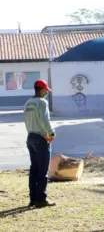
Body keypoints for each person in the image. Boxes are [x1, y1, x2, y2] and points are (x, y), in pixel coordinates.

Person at [23, 79, 56, 208]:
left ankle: (33, 198)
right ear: (42, 90)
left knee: (34, 169)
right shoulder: (42, 102)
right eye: (46, 90)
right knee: (43, 171)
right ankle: (41, 199)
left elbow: (26, 121)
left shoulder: (28, 103)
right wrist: (51, 133)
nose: (46, 93)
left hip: (30, 138)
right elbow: (45, 119)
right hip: (40, 139)